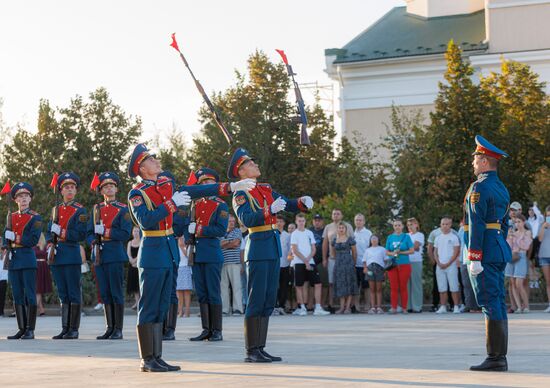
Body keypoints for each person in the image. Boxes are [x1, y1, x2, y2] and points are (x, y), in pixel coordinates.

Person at [127, 143, 254, 372]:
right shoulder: (137, 193)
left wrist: (231, 186)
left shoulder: (165, 186)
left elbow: (197, 191)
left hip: (167, 253)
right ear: (142, 169)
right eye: (150, 160)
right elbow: (146, 220)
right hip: (153, 252)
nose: (156, 161)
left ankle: (156, 356)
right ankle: (146, 359)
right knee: (149, 306)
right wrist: (170, 204)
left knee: (162, 306)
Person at [229, 147, 313, 363]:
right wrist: (269, 210)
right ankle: (251, 350)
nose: (255, 165)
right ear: (242, 171)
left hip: (272, 248)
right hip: (257, 248)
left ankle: (260, 347)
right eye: (250, 163)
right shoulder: (240, 194)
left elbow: (287, 202)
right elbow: (247, 219)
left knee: (268, 300)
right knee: (256, 299)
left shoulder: (265, 190)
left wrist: (302, 202)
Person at [465, 135, 512, 372]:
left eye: (475, 159)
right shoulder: (501, 187)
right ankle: (498, 356)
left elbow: (476, 223)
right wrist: (496, 243)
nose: (473, 163)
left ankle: (496, 358)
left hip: (484, 253)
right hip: (498, 249)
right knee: (498, 301)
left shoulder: (480, 187)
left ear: (484, 161)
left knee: (489, 302)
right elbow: (504, 224)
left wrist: (474, 256)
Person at [87, 172, 132, 340]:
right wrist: (93, 241)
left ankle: (118, 329)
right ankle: (109, 327)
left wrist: (105, 232)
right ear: (101, 191)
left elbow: (125, 233)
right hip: (99, 254)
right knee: (104, 292)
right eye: (105, 186)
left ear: (116, 189)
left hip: (114, 253)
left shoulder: (123, 209)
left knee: (115, 292)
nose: (109, 188)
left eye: (111, 185)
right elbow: (89, 232)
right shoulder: (96, 209)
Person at [187, 167, 229, 342]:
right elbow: (189, 227)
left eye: (208, 182)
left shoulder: (221, 205)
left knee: (213, 292)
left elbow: (220, 230)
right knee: (202, 293)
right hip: (197, 254)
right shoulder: (196, 205)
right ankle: (206, 329)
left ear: (215, 184)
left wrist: (198, 229)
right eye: (202, 182)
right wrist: (188, 233)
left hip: (211, 254)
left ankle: (217, 330)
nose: (205, 185)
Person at [47, 172, 87, 340]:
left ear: (75, 191)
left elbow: (80, 234)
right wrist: (50, 242)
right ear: (61, 191)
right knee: (63, 293)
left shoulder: (80, 210)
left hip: (71, 254)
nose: (69, 190)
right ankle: (65, 328)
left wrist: (62, 232)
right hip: (57, 255)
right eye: (66, 188)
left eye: (72, 187)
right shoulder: (55, 209)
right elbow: (50, 232)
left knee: (73, 292)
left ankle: (74, 329)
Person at [3, 182, 42, 339]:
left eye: (26, 196)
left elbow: (33, 239)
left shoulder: (35, 217)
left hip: (27, 257)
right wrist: (7, 242)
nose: (23, 198)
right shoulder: (10, 217)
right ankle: (21, 328)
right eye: (20, 196)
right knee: (17, 294)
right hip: (14, 259)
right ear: (15, 200)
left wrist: (16, 237)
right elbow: (5, 237)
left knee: (30, 294)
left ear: (30, 199)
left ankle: (30, 329)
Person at [290, 213, 329, 316]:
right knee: (299, 286)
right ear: (296, 221)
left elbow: (314, 248)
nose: (301, 223)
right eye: (299, 221)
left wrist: (308, 260)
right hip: (298, 263)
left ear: (305, 221)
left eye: (303, 221)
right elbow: (294, 250)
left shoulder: (309, 233)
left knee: (318, 284)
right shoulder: (294, 234)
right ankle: (302, 308)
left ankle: (318, 307)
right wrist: (305, 261)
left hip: (310, 262)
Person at [321, 209, 353, 313]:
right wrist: (324, 258)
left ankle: (346, 306)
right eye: (334, 213)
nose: (335, 215)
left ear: (342, 215)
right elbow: (325, 244)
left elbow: (352, 244)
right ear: (331, 215)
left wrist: (352, 260)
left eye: (338, 213)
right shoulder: (328, 227)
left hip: (345, 260)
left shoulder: (348, 226)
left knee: (346, 282)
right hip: (332, 259)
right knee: (331, 283)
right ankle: (331, 304)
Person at [433, 216, 462, 314]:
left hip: (451, 265)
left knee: (454, 287)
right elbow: (435, 252)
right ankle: (443, 306)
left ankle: (456, 306)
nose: (445, 226)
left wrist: (448, 263)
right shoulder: (437, 238)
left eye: (447, 224)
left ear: (450, 225)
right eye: (443, 224)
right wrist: (438, 262)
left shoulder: (454, 237)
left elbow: (456, 251)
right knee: (442, 287)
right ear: (440, 225)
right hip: (440, 266)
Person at [385, 219, 414, 314]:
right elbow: (387, 251)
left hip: (404, 264)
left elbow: (411, 250)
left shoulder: (406, 237)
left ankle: (404, 308)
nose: (397, 227)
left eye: (399, 225)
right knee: (394, 287)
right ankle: (394, 307)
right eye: (395, 225)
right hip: (393, 265)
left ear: (402, 226)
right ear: (393, 227)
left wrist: (400, 252)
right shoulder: (390, 237)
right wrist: (393, 253)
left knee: (403, 286)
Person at [505, 214, 532, 313]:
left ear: (523, 222)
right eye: (516, 222)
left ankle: (526, 306)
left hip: (521, 257)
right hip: (512, 257)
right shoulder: (514, 233)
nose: (517, 224)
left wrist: (515, 237)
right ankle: (518, 307)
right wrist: (509, 237)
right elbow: (509, 246)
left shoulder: (527, 232)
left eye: (519, 222)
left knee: (519, 283)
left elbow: (526, 246)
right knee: (512, 283)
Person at [330, 222, 358, 314]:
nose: (341, 229)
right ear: (337, 229)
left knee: (349, 284)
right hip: (338, 264)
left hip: (348, 263)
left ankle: (347, 308)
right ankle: (342, 307)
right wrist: (337, 260)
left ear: (346, 229)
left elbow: (354, 252)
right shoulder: (334, 240)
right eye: (339, 228)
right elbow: (333, 253)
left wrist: (353, 263)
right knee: (341, 285)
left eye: (343, 228)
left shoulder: (350, 239)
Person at [220, 214, 244, 316]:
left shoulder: (237, 231)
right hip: (222, 263)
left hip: (235, 262)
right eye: (230, 221)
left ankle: (237, 309)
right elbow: (219, 244)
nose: (232, 223)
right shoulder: (220, 231)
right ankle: (224, 309)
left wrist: (225, 243)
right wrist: (230, 243)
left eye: (233, 221)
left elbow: (236, 243)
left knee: (237, 287)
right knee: (223, 287)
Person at [353, 213, 372, 312]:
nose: (358, 222)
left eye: (360, 220)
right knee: (356, 286)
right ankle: (356, 305)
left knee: (366, 286)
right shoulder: (352, 233)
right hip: (355, 264)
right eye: (357, 220)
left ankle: (367, 305)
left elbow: (371, 248)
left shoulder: (368, 233)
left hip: (366, 264)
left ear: (364, 222)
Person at [363, 235, 386, 314]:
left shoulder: (382, 249)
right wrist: (365, 268)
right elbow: (364, 261)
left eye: (375, 238)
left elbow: (386, 260)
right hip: (370, 269)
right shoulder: (367, 250)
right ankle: (373, 307)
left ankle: (379, 307)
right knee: (372, 289)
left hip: (379, 269)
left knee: (379, 289)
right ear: (370, 240)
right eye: (372, 239)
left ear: (378, 240)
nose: (374, 240)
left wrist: (385, 271)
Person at [406, 217, 424, 313]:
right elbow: (410, 247)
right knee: (407, 285)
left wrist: (406, 248)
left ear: (416, 225)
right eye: (408, 225)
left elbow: (416, 247)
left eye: (412, 224)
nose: (410, 226)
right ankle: (408, 306)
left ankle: (417, 307)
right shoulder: (405, 235)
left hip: (416, 261)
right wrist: (409, 247)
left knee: (416, 284)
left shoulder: (420, 235)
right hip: (405, 262)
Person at [275, 215, 291, 315]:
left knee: (284, 286)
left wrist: (290, 263)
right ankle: (274, 306)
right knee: (274, 286)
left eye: (281, 221)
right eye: (277, 221)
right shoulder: (272, 233)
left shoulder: (288, 235)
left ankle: (281, 305)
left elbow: (290, 250)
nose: (279, 223)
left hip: (285, 264)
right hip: (275, 265)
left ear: (284, 223)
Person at [35, 233, 52, 316]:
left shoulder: (45, 246)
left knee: (39, 289)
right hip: (35, 267)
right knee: (37, 289)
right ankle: (41, 310)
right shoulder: (32, 244)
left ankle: (33, 310)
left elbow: (49, 257)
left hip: (43, 267)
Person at [176, 236, 192, 318]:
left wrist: (182, 247)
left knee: (186, 291)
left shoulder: (187, 246)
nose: (181, 239)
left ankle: (187, 312)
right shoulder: (175, 246)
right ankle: (180, 311)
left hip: (185, 268)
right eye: (180, 238)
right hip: (178, 269)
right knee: (179, 292)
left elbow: (189, 257)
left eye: (183, 238)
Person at [538, 206, 550, 313]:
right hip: (544, 256)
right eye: (548, 215)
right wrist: (543, 227)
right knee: (548, 282)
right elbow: (540, 239)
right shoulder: (543, 225)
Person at [126, 226, 141, 310]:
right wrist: (131, 260)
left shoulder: (142, 241)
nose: (135, 233)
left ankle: (140, 302)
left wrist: (135, 261)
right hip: (132, 266)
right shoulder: (130, 242)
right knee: (134, 287)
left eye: (137, 231)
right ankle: (137, 302)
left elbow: (140, 254)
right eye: (134, 231)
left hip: (139, 266)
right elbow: (128, 254)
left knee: (140, 286)